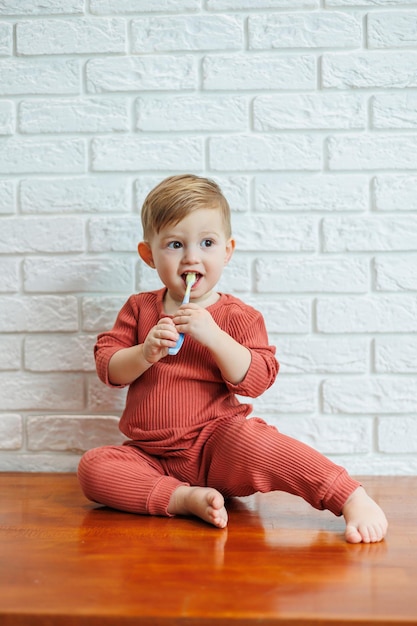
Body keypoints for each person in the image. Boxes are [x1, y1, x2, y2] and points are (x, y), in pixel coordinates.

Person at [78, 174, 388, 544]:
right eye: (175, 244)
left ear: (227, 250)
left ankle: (349, 495)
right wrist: (144, 353)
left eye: (206, 243)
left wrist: (213, 336)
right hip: (150, 455)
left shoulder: (238, 316)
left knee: (260, 443)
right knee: (94, 467)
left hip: (219, 445)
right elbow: (108, 366)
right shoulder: (139, 309)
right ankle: (182, 498)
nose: (192, 256)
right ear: (149, 255)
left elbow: (257, 378)